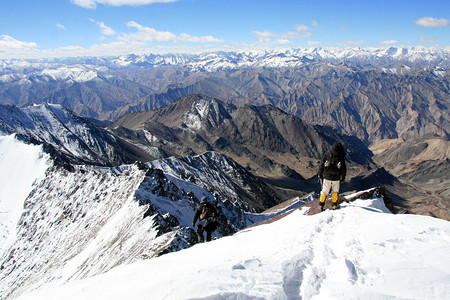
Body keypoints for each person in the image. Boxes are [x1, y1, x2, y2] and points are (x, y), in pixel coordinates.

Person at [318, 141, 347, 211]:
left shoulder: (327, 154)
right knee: (335, 191)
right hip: (336, 178)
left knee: (324, 191)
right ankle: (334, 205)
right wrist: (342, 177)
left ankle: (321, 205)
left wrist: (320, 174)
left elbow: (322, 165)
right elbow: (343, 169)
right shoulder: (341, 157)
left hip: (326, 176)